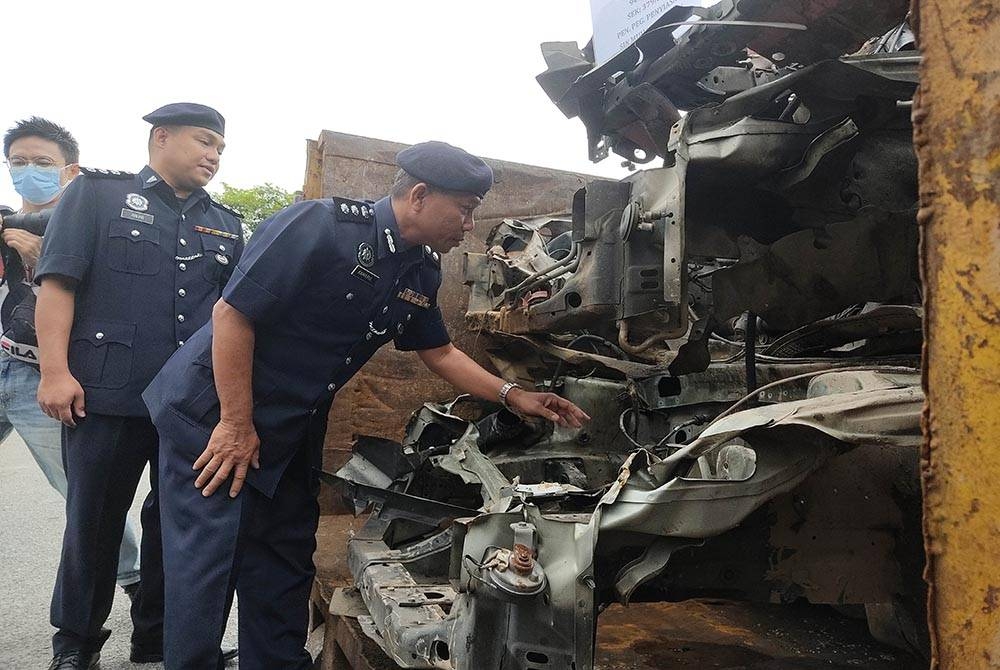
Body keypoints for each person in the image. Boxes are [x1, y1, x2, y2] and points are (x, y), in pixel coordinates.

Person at [143, 140, 591, 669]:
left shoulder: (420, 268)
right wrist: (236, 424)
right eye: (466, 208)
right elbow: (232, 316)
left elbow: (440, 351)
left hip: (293, 423)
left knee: (284, 554)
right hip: (216, 414)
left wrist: (514, 395)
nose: (470, 225)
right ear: (420, 195)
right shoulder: (319, 227)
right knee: (209, 560)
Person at [34, 103, 244, 670]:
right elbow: (57, 285)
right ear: (161, 137)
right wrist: (55, 372)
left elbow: (234, 322)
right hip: (105, 395)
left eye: (221, 148)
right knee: (93, 525)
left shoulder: (226, 223)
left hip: (189, 406)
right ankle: (75, 642)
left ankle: (158, 639)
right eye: (204, 142)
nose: (213, 155)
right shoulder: (98, 197)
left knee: (176, 530)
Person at [2, 117, 143, 595]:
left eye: (43, 162)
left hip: (42, 373)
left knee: (86, 498)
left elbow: (108, 300)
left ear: (70, 170)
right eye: (18, 162)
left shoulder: (91, 220)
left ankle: (133, 580)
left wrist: (45, 257)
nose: (29, 171)